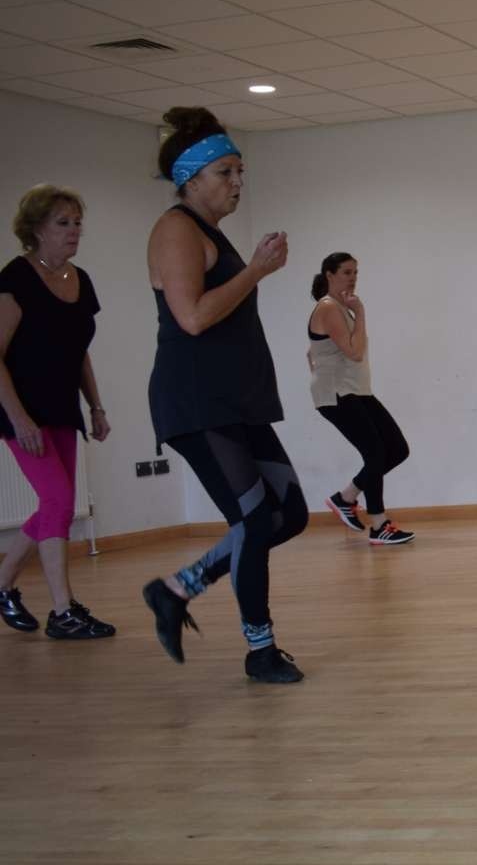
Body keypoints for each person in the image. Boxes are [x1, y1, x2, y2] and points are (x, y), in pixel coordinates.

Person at [139, 107, 309, 683]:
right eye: (226, 172)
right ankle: (260, 650)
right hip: (198, 402)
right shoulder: (175, 230)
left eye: (240, 171)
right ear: (191, 179)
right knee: (258, 521)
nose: (238, 182)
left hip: (236, 401)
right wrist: (256, 271)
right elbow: (192, 318)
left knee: (289, 515)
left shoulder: (209, 233)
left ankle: (176, 589)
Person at [0, 184, 113, 640]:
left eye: (77, 222)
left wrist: (96, 405)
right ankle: (63, 611)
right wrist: (20, 419)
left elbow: (78, 351)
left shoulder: (79, 280)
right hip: (20, 410)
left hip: (62, 407)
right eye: (62, 223)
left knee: (56, 505)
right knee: (58, 501)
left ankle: (3, 583)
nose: (73, 231)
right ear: (36, 229)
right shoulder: (15, 279)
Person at [308, 252, 414, 546]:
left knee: (397, 449)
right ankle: (379, 525)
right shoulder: (329, 307)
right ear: (329, 275)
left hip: (356, 391)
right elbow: (354, 352)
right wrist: (362, 312)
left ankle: (346, 498)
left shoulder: (341, 309)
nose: (353, 278)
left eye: (355, 272)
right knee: (376, 453)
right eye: (346, 272)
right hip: (337, 394)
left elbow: (315, 351)